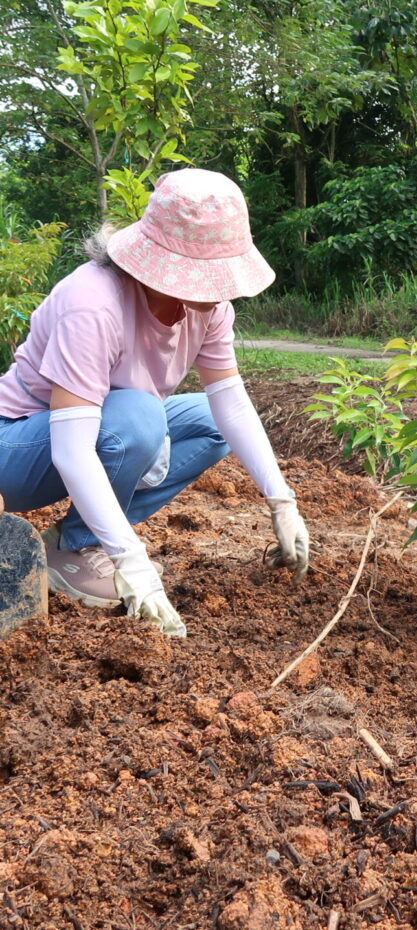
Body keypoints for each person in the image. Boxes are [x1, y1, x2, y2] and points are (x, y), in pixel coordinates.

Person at [0, 168, 309, 638]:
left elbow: (230, 404)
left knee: (207, 422)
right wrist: (134, 561)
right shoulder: (93, 303)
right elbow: (71, 450)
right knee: (138, 419)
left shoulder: (209, 309)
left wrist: (282, 500)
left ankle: (76, 540)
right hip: (17, 447)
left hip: (100, 429)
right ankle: (81, 549)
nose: (221, 289)